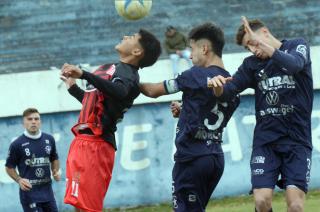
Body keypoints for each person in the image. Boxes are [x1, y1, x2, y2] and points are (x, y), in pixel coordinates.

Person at [208, 17, 313, 212]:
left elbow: (295, 65)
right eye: (248, 47)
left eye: (252, 43)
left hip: (297, 141)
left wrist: (265, 47)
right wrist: (217, 87)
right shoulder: (251, 64)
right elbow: (229, 90)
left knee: (296, 206)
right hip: (266, 143)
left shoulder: (298, 46)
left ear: (264, 33)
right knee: (261, 202)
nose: (253, 50)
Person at [140, 23, 239, 212]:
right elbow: (210, 108)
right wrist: (185, 110)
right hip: (215, 158)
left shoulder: (194, 75)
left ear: (204, 48)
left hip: (192, 158)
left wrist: (127, 79)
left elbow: (153, 91)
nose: (190, 54)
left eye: (192, 49)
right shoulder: (232, 84)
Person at [60, 29, 161, 212]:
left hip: (97, 144)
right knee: (79, 204)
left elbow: (120, 91)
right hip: (82, 141)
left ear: (137, 52)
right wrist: (73, 87)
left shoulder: (128, 74)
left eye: (132, 37)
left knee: (89, 207)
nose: (125, 36)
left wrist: (83, 74)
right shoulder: (110, 68)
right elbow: (92, 101)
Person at [5, 108, 60, 212]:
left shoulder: (49, 139)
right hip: (29, 195)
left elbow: (54, 158)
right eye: (29, 119)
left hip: (48, 194)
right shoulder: (16, 144)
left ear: (40, 121)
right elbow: (9, 167)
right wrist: (19, 180)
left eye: (36, 119)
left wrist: (55, 170)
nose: (33, 121)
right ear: (23, 123)